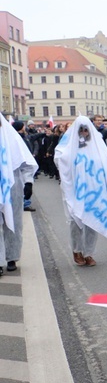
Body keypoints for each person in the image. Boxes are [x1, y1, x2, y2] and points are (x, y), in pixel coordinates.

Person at [54, 116, 107, 267]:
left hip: (94, 192)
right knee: (75, 222)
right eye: (80, 130)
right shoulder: (68, 147)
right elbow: (59, 159)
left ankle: (89, 252)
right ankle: (77, 250)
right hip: (75, 191)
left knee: (91, 222)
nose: (83, 132)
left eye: (86, 130)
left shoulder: (97, 146)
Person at [0, 114, 38, 274]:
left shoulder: (12, 138)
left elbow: (26, 162)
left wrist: (28, 182)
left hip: (12, 185)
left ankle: (11, 257)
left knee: (13, 222)